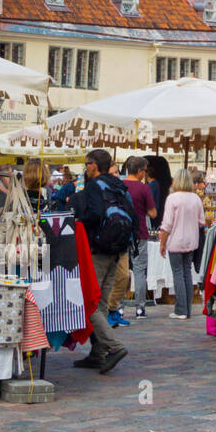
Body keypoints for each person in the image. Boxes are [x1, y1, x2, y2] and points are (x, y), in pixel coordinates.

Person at [69, 149, 130, 374]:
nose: (86, 168)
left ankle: (114, 347)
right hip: (117, 249)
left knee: (90, 302)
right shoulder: (118, 184)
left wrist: (76, 222)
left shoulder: (95, 185)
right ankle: (98, 353)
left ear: (94, 165)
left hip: (98, 248)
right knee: (101, 302)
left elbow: (94, 214)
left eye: (87, 164)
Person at [157, 169, 204, 319]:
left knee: (178, 273)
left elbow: (167, 225)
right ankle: (186, 309)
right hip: (191, 241)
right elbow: (201, 222)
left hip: (176, 241)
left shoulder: (172, 198)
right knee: (187, 273)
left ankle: (181, 310)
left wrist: (162, 243)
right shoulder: (196, 198)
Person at [121, 155, 158, 320]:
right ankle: (140, 308)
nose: (145, 174)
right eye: (144, 170)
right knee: (139, 271)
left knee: (122, 272)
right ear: (139, 171)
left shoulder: (120, 186)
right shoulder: (144, 189)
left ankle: (118, 306)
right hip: (140, 232)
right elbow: (153, 213)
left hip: (121, 232)